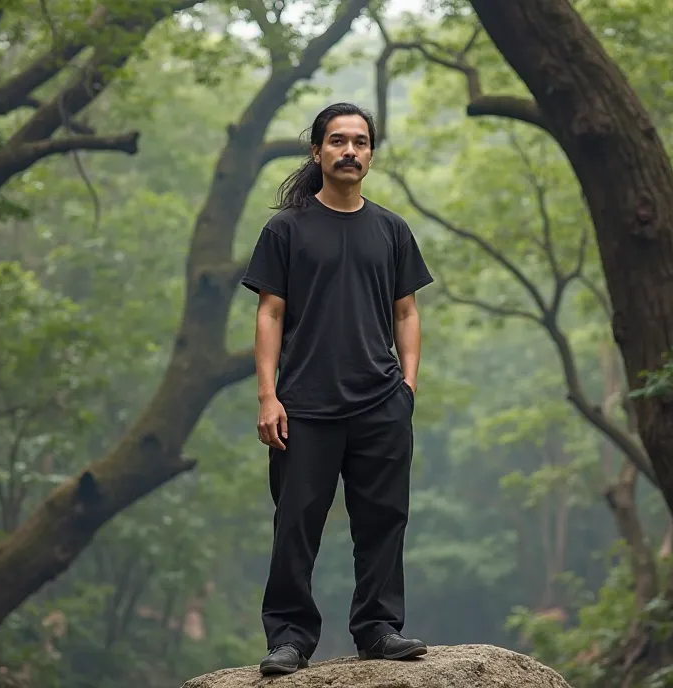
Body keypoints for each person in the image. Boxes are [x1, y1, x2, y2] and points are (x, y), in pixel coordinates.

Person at [240, 102, 434, 675]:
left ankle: (378, 628)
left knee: (383, 520)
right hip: (304, 405)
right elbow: (269, 314)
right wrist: (267, 395)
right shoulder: (286, 229)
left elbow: (407, 312)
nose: (349, 151)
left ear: (370, 153)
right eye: (337, 141)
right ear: (317, 151)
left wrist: (408, 387)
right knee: (296, 523)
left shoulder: (392, 229)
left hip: (380, 402)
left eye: (360, 142)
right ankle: (290, 639)